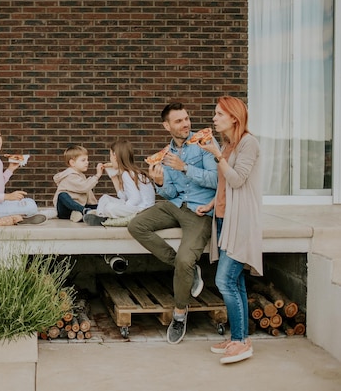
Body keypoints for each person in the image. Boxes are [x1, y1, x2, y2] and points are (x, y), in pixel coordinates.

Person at [127, 102, 218, 345]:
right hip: (176, 205)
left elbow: (217, 180)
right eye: (178, 121)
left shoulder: (205, 142)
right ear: (166, 126)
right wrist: (159, 183)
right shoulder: (165, 154)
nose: (186, 124)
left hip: (199, 210)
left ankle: (179, 314)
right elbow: (170, 193)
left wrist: (185, 167)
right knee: (136, 226)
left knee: (185, 259)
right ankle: (187, 270)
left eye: (186, 118)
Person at [196, 96, 262, 364]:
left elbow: (237, 180)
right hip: (224, 218)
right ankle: (241, 337)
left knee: (224, 280)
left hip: (241, 221)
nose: (214, 118)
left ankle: (240, 343)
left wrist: (214, 154)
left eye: (219, 114)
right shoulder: (228, 144)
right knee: (236, 281)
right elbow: (224, 185)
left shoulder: (249, 143)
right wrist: (211, 204)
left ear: (234, 117)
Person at [0, 124, 46, 224]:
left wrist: (10, 169)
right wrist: (8, 197)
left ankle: (19, 217)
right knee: (30, 206)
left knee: (29, 202)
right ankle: (19, 218)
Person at [83, 140, 156, 226]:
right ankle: (100, 216)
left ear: (115, 156)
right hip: (137, 206)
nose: (109, 159)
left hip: (142, 210)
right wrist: (113, 177)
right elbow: (123, 197)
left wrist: (122, 206)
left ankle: (102, 217)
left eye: (110, 155)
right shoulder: (129, 172)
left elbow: (135, 199)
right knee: (105, 198)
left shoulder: (127, 174)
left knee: (109, 208)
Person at [52, 145, 102, 222]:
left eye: (87, 160)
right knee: (62, 195)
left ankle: (80, 214)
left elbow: (88, 193)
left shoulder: (81, 175)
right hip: (65, 210)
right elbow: (85, 187)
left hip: (79, 206)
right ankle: (85, 211)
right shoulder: (70, 176)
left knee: (100, 206)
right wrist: (97, 175)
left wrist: (95, 205)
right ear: (72, 163)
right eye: (83, 160)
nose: (87, 162)